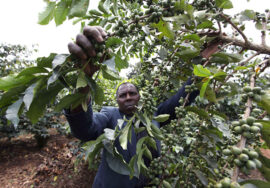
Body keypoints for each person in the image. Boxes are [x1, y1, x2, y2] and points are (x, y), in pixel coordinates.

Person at [65, 26, 201, 188]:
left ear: (139, 97)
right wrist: (84, 81)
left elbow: (181, 99)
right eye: (123, 95)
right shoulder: (109, 115)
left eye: (132, 93)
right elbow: (84, 129)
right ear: (116, 101)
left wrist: (203, 63)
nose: (128, 97)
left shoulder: (152, 114)